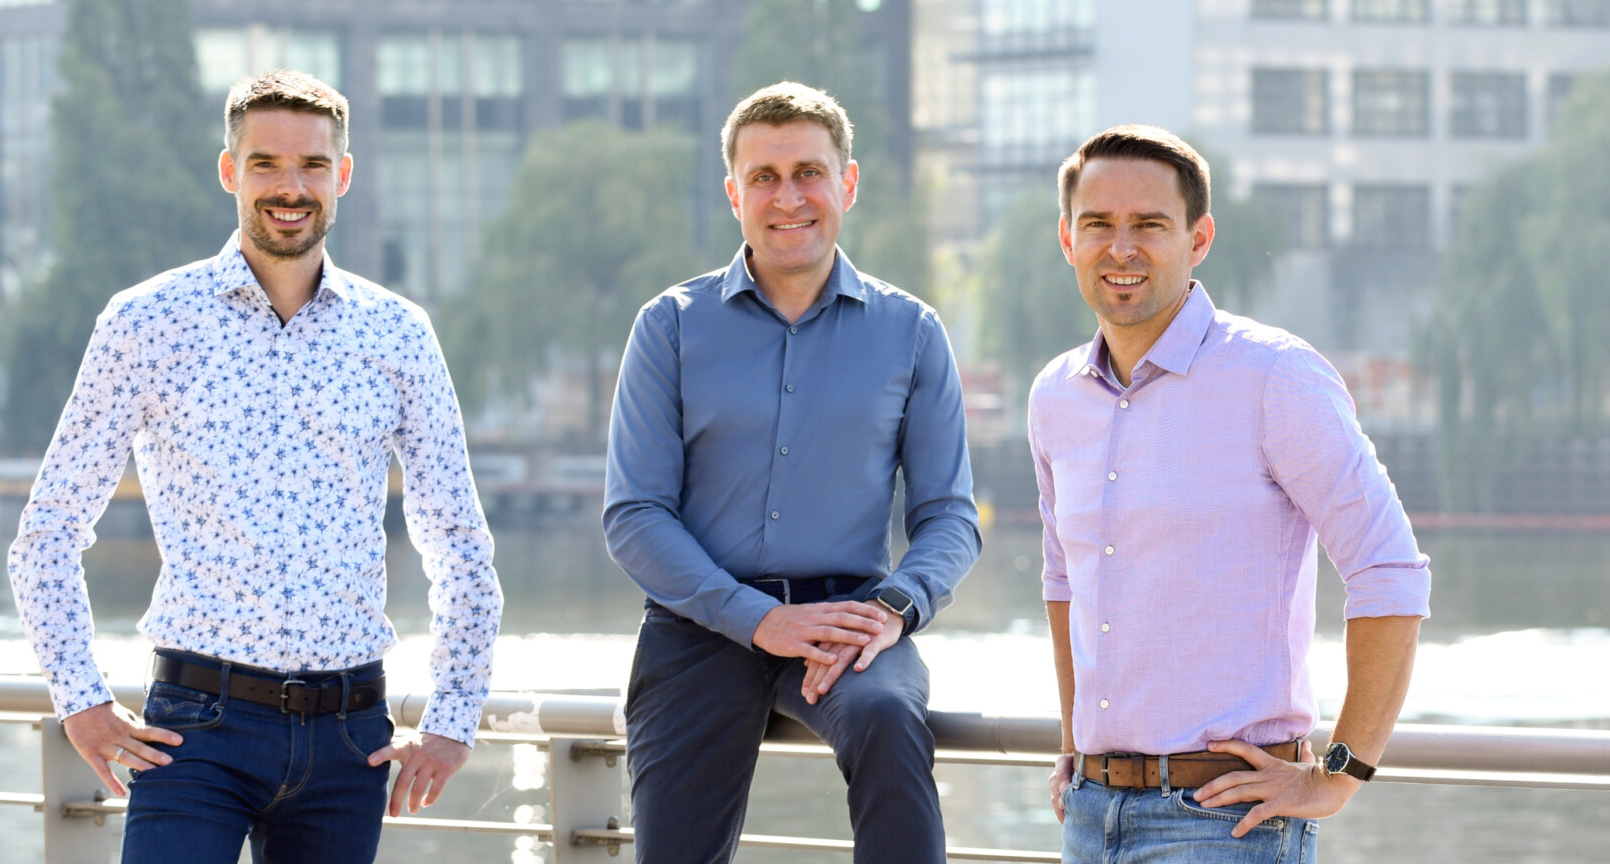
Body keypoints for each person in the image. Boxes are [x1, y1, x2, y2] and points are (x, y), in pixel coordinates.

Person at [7, 70, 502, 864]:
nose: (290, 187)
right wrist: (80, 699)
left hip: (351, 740)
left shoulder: (398, 334)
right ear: (229, 171)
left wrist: (452, 717)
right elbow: (49, 531)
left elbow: (458, 541)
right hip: (195, 732)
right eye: (266, 163)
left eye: (312, 165)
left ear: (342, 175)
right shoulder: (146, 322)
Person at [1029, 125, 1431, 863]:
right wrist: (1071, 741)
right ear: (1067, 239)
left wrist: (1339, 774)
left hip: (1225, 825)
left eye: (1150, 225)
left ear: (1199, 238)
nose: (1121, 248)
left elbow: (1390, 570)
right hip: (1086, 814)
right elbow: (1065, 581)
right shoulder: (1055, 396)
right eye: (1098, 224)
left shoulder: (1274, 376)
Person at [603, 82, 981, 864]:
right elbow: (634, 514)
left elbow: (949, 514)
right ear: (734, 193)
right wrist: (758, 619)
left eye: (809, 172)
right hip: (698, 626)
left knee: (886, 719)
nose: (789, 198)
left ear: (847, 182)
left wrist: (895, 608)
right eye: (765, 178)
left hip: (851, 621)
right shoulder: (669, 327)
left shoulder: (911, 332)